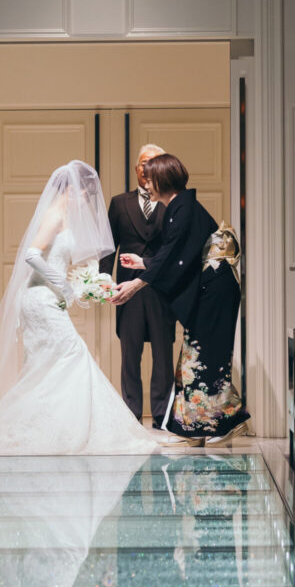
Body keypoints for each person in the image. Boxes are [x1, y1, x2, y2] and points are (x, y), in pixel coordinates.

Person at [0, 161, 156, 454]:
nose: (86, 200)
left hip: (48, 296)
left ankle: (49, 425)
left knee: (45, 366)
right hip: (40, 298)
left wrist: (82, 285)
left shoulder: (64, 216)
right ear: (71, 189)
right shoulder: (54, 214)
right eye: (85, 194)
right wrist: (62, 285)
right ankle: (54, 428)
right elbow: (31, 255)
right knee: (72, 354)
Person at [109, 153, 250, 446]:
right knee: (194, 357)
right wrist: (144, 263)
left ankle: (227, 421)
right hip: (210, 289)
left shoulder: (182, 209)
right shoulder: (180, 208)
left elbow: (175, 255)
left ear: (162, 180)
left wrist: (135, 284)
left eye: (150, 179)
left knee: (206, 357)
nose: (146, 184)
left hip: (215, 291)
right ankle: (194, 428)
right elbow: (177, 255)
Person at [101, 144, 174, 428]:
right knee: (129, 354)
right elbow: (109, 246)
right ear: (136, 168)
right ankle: (131, 415)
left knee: (163, 354)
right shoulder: (120, 203)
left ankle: (162, 415)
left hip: (161, 288)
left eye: (153, 162)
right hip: (127, 289)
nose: (147, 168)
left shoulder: (170, 203)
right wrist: (104, 279)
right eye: (143, 163)